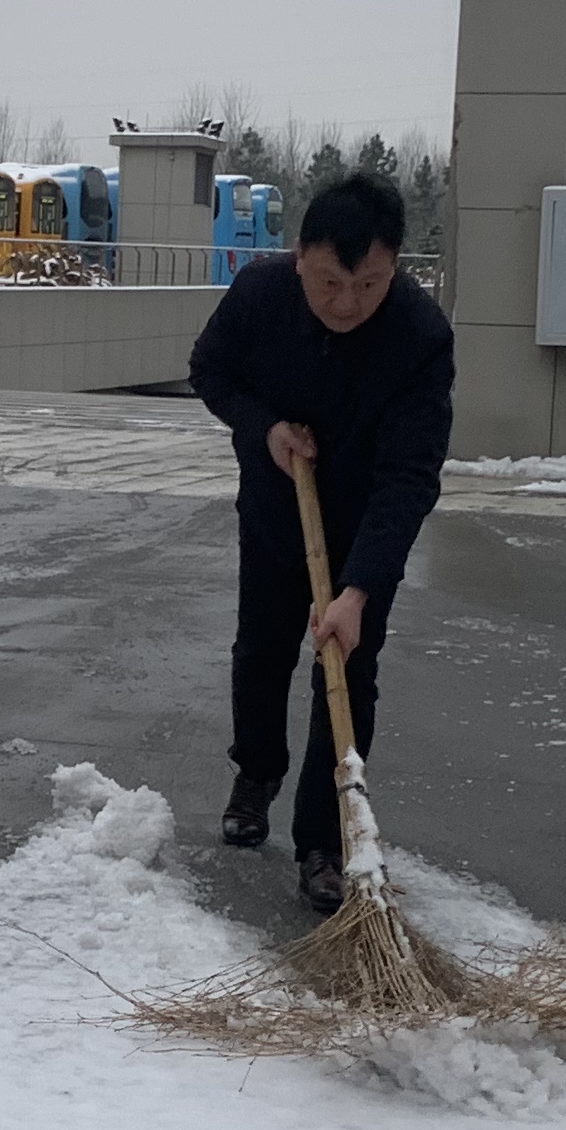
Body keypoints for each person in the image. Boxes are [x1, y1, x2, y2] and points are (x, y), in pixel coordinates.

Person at [187, 172, 455, 915]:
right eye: (331, 282)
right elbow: (210, 370)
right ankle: (256, 771)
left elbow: (410, 475)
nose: (346, 303)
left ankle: (323, 841)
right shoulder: (260, 296)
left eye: (368, 285)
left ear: (395, 267)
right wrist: (265, 427)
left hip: (367, 526)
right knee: (262, 649)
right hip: (278, 507)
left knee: (347, 669)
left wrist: (358, 589)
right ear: (299, 256)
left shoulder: (419, 336)